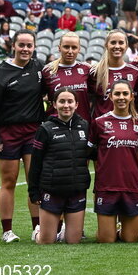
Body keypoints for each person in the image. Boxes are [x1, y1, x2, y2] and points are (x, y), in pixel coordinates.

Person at [0, 30, 45, 243]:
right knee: (8, 181)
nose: (25, 49)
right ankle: (7, 230)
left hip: (33, 131)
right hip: (8, 133)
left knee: (34, 181)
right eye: (22, 45)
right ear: (13, 46)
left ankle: (37, 228)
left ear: (34, 47)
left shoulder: (38, 67)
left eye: (29, 45)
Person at [27, 88, 92, 244]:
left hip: (76, 190)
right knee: (46, 242)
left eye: (70, 101)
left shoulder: (84, 126)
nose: (66, 105)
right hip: (52, 190)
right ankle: (38, 232)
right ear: (54, 105)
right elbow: (35, 162)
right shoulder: (45, 129)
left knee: (73, 242)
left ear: (76, 104)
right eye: (62, 101)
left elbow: (93, 153)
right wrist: (33, 191)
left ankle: (64, 230)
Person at [90, 80, 138, 243]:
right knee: (107, 240)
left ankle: (120, 230)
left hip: (132, 186)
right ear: (110, 96)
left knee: (131, 240)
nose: (121, 97)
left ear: (132, 97)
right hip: (107, 186)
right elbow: (91, 152)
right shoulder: (99, 123)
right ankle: (108, 230)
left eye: (125, 94)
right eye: (117, 94)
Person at [89, 30, 138, 119]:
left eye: (121, 43)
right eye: (113, 42)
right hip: (101, 127)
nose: (117, 46)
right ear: (106, 45)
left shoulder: (135, 71)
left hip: (127, 126)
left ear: (126, 46)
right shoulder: (95, 72)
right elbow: (88, 102)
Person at [42, 32, 92, 120]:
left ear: (79, 49)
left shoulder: (87, 69)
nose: (70, 51)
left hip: (82, 125)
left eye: (74, 47)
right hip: (55, 127)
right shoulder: (47, 71)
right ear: (59, 48)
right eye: (66, 47)